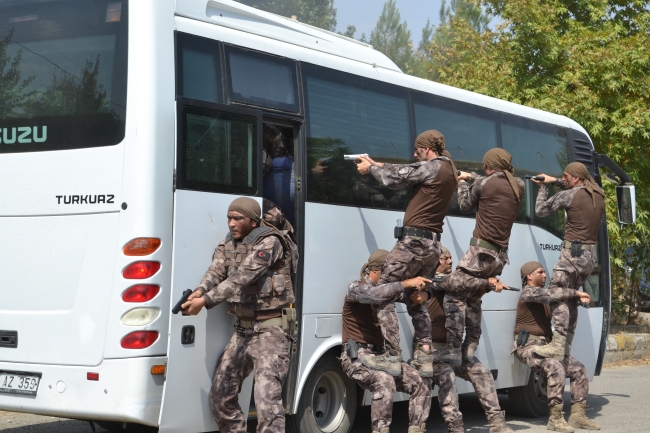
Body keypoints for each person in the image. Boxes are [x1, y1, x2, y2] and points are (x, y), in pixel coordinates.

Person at [181, 197, 298, 433]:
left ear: (254, 222)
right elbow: (217, 270)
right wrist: (199, 291)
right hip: (243, 330)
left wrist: (205, 301)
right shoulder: (229, 243)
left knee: (268, 405)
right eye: (229, 218)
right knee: (220, 396)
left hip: (271, 330)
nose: (231, 223)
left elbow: (242, 276)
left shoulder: (271, 243)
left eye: (238, 218)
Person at [355, 130, 458, 377]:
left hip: (414, 242)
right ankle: (424, 357)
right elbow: (409, 169)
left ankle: (391, 356)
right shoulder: (449, 169)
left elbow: (396, 179)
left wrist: (370, 170)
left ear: (428, 149)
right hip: (432, 246)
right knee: (416, 297)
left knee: (384, 293)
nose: (414, 153)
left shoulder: (432, 167)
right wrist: (377, 163)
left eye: (417, 149)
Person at [433, 148, 525, 365]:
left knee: (454, 291)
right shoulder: (518, 185)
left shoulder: (484, 184)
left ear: (488, 166)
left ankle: (453, 349)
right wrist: (473, 176)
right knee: (473, 297)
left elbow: (465, 205)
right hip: (500, 257)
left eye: (484, 166)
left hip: (481, 253)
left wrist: (462, 182)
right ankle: (470, 346)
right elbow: (491, 180)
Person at [410, 246, 514, 433]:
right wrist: (486, 282)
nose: (450, 262)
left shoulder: (457, 285)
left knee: (481, 372)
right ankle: (454, 428)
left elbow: (468, 288)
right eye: (445, 259)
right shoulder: (430, 281)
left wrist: (489, 286)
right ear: (435, 261)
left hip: (452, 351)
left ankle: (498, 424)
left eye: (451, 258)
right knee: (446, 375)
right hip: (429, 352)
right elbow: (455, 282)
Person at [341, 249, 432, 433]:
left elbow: (410, 297)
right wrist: (405, 283)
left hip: (381, 357)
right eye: (389, 273)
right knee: (385, 381)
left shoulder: (388, 290)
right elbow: (375, 294)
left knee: (420, 383)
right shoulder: (356, 288)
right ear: (375, 271)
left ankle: (417, 429)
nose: (392, 278)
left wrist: (423, 296)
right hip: (357, 357)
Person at [531, 162, 605, 360]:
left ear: (576, 178)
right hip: (588, 257)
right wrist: (555, 180)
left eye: (565, 176)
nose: (563, 179)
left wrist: (543, 187)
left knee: (557, 295)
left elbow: (541, 210)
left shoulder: (569, 195)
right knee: (572, 299)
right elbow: (576, 187)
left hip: (571, 256)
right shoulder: (598, 193)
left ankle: (556, 345)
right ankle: (565, 347)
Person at [514, 261, 599, 432]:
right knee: (555, 368)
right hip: (527, 346)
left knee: (579, 370)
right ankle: (555, 419)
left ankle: (577, 416)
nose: (544, 275)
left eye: (545, 272)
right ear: (529, 276)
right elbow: (552, 294)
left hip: (547, 346)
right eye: (540, 272)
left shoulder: (544, 299)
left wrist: (576, 300)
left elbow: (558, 301)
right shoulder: (528, 292)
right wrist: (575, 292)